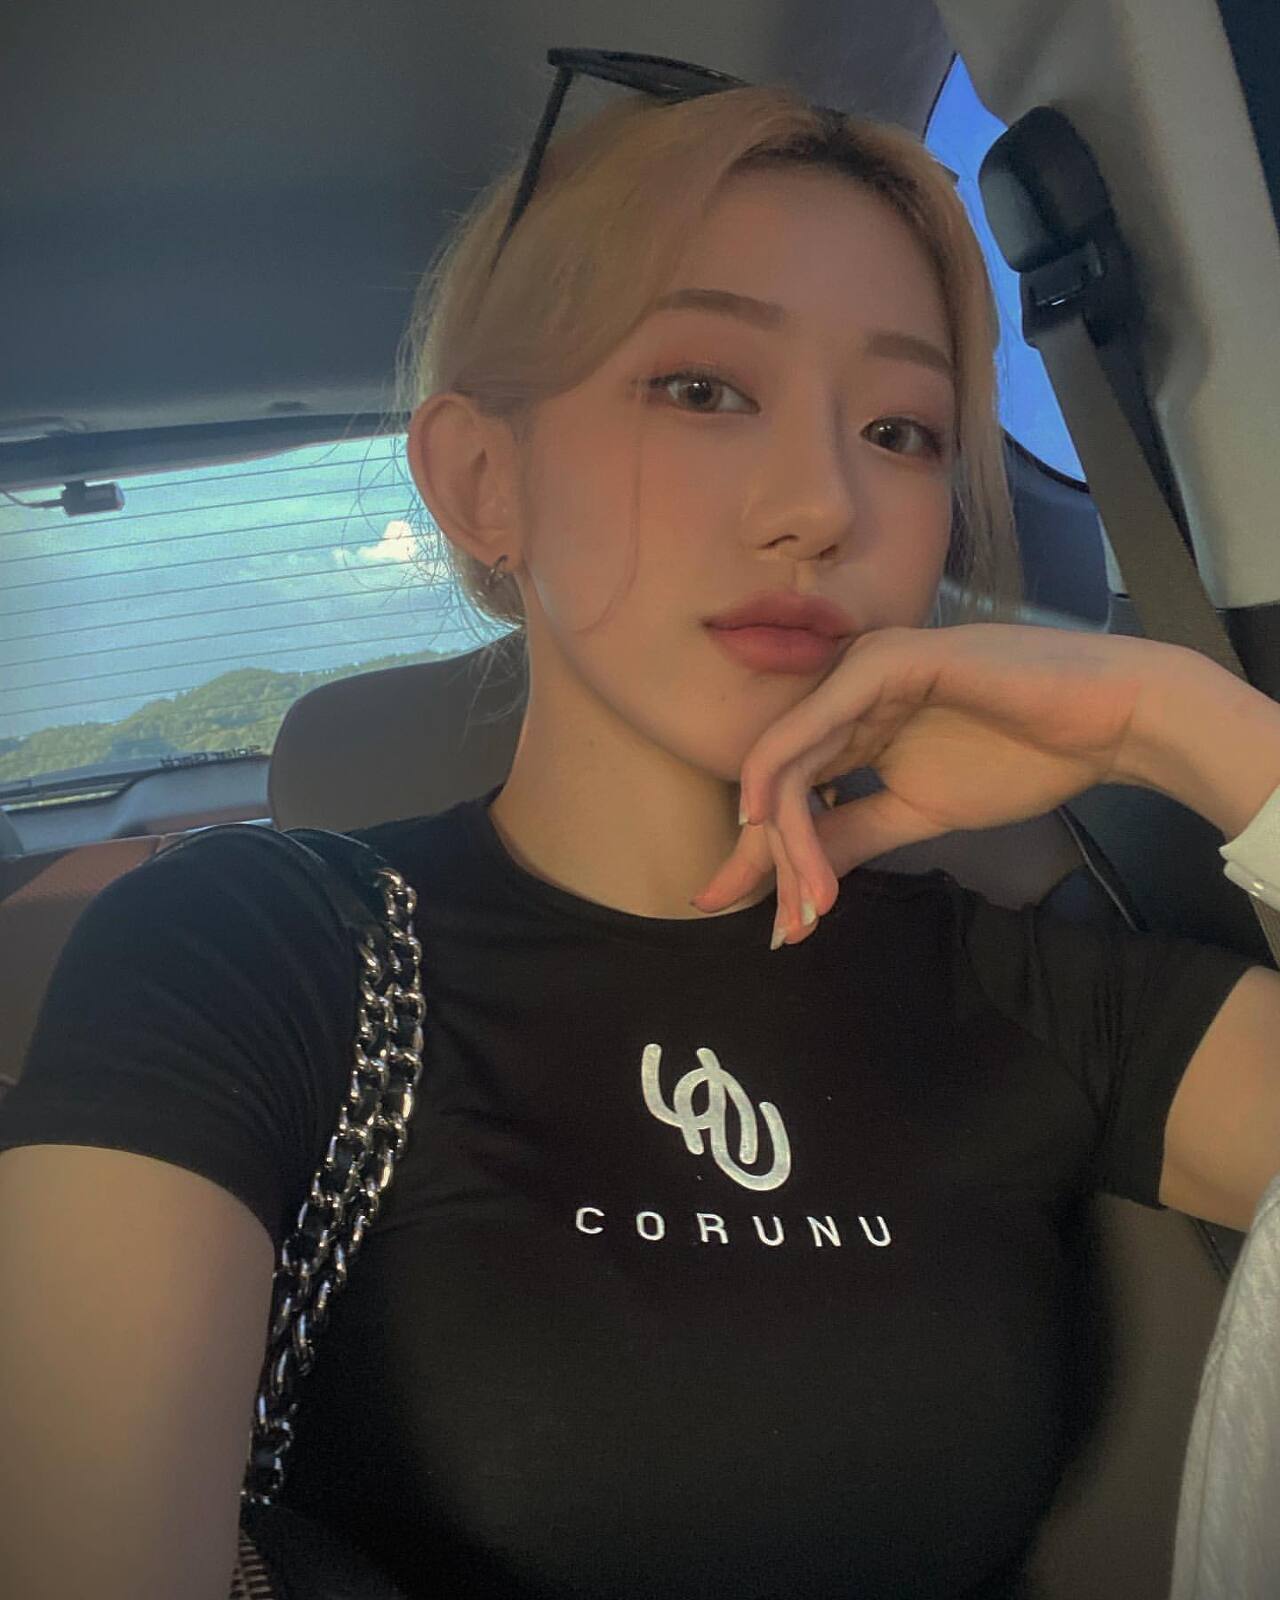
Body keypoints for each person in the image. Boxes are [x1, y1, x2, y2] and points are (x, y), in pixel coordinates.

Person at [0, 60, 1271, 1600]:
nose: (822, 504)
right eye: (703, 389)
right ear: (485, 482)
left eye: (902, 429)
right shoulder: (252, 957)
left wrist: (1187, 732)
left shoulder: (1023, 984)